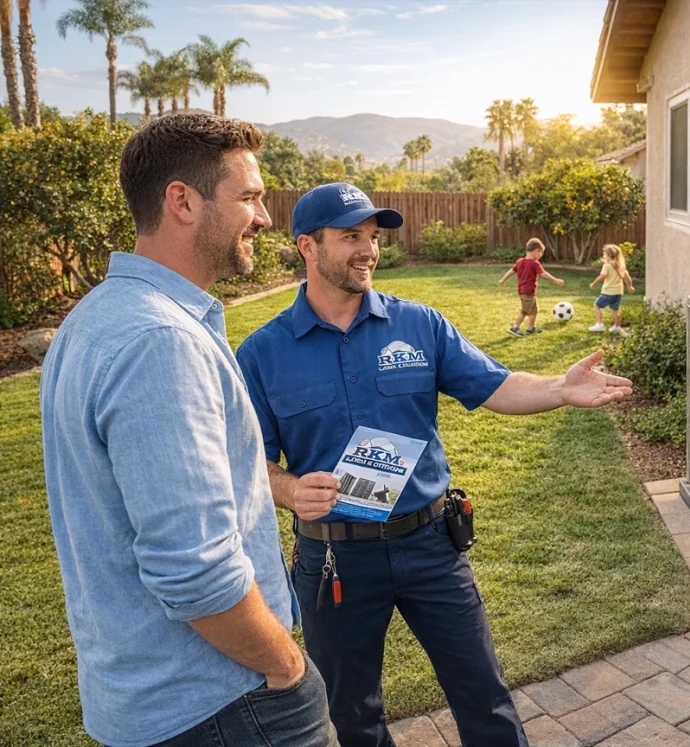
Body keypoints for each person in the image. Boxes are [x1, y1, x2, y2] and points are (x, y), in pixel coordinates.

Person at [234, 183, 633, 747]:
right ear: (307, 245)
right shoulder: (262, 353)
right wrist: (291, 490)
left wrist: (559, 389)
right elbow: (250, 462)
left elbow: (496, 385)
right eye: (351, 237)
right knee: (354, 713)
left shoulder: (420, 325)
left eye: (374, 237)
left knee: (484, 694)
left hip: (431, 547)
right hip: (335, 560)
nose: (368, 250)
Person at [39, 113, 337, 747]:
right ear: (182, 201)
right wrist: (285, 666)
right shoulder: (160, 340)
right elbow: (194, 570)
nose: (264, 218)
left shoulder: (96, 316)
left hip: (151, 698)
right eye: (249, 197)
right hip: (223, 701)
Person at [498, 236, 564, 337]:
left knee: (534, 310)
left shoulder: (520, 261)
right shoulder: (534, 263)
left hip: (524, 291)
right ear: (536, 251)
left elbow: (511, 271)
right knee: (525, 310)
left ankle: (530, 328)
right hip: (528, 291)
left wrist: (503, 279)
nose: (541, 255)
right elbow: (543, 274)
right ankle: (515, 327)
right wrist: (556, 280)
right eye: (541, 253)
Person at [588, 243, 635, 334]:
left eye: (604, 254)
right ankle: (617, 327)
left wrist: (594, 283)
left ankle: (599, 324)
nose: (604, 255)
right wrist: (630, 286)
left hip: (608, 292)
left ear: (609, 255)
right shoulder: (621, 265)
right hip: (618, 292)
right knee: (615, 309)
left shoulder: (607, 266)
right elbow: (627, 277)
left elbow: (602, 276)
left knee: (597, 306)